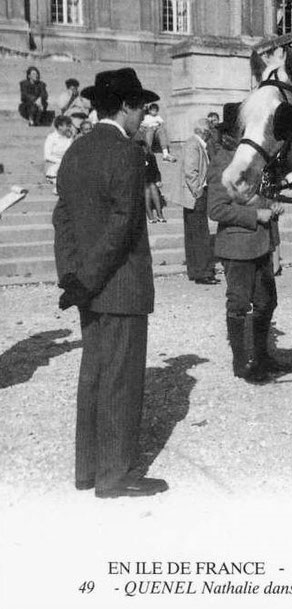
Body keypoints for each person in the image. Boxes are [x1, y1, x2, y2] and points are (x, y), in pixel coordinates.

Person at [52, 67, 167, 498]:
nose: (143, 117)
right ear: (125, 106)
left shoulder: (75, 150)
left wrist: (73, 277)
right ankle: (114, 475)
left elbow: (61, 217)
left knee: (94, 374)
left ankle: (88, 470)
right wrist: (92, 276)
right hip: (120, 284)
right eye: (141, 107)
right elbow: (123, 226)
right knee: (120, 378)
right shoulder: (126, 152)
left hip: (87, 285)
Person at [207, 103, 291, 382]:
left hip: (261, 244)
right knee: (239, 304)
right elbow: (216, 210)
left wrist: (272, 204)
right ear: (234, 131)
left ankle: (263, 356)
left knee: (267, 302)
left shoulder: (253, 159)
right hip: (237, 247)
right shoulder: (222, 161)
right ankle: (242, 362)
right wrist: (257, 214)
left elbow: (259, 194)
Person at [180, 117, 218, 284]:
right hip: (195, 195)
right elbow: (191, 171)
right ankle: (203, 271)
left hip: (193, 195)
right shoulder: (194, 145)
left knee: (194, 234)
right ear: (204, 132)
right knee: (200, 234)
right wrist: (198, 192)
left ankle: (196, 270)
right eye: (209, 133)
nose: (210, 136)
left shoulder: (194, 144)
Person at [44, 115, 74, 192]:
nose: (69, 128)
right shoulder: (51, 137)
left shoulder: (70, 138)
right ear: (60, 126)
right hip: (53, 163)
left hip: (67, 163)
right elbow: (47, 156)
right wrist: (61, 161)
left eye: (70, 126)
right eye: (67, 126)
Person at [140, 140, 166, 223]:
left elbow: (156, 171)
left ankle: (159, 213)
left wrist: (158, 180)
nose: (144, 150)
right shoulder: (136, 159)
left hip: (150, 181)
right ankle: (150, 214)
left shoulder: (151, 157)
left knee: (153, 187)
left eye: (145, 149)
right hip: (140, 182)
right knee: (147, 189)